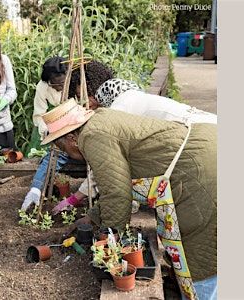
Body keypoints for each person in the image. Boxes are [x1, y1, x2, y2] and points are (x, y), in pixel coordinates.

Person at [40, 100, 217, 300]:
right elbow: (118, 183)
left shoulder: (92, 136)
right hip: (202, 150)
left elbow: (117, 193)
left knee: (199, 258)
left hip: (199, 173)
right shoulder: (99, 121)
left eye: (61, 146)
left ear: (72, 137)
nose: (65, 152)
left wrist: (108, 243)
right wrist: (92, 218)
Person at [20, 60, 218, 213]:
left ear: (92, 87)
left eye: (84, 95)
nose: (86, 103)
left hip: (201, 141)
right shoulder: (126, 95)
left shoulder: (118, 110)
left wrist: (75, 198)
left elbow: (107, 165)